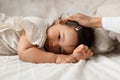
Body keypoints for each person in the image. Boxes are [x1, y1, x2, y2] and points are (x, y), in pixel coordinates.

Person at [0, 13, 93, 64]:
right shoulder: (38, 26)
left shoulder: (43, 50)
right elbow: (24, 53)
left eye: (60, 50)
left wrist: (73, 57)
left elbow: (38, 56)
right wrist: (56, 58)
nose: (54, 45)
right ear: (59, 22)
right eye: (59, 37)